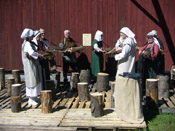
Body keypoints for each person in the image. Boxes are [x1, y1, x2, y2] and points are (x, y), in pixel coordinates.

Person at [21, 28, 43, 106]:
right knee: (32, 80)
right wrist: (39, 55)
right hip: (29, 65)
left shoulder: (29, 43)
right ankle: (31, 99)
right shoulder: (27, 44)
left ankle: (34, 97)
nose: (32, 37)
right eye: (31, 36)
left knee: (35, 79)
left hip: (33, 64)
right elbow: (32, 53)